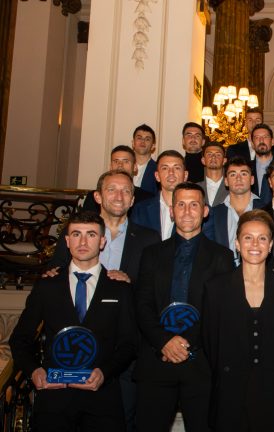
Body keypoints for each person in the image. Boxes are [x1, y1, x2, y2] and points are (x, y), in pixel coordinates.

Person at [10, 211, 138, 431]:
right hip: (54, 398)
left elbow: (129, 343)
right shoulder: (47, 286)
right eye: (76, 234)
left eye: (91, 234)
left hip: (102, 399)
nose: (83, 241)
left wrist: (105, 372)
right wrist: (34, 371)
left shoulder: (120, 288)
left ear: (102, 241)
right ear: (67, 241)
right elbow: (20, 339)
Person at [133, 182, 234, 432]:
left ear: (205, 211)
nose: (187, 211)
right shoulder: (151, 254)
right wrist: (165, 341)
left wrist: (185, 342)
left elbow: (220, 310)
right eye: (181, 204)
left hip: (201, 364)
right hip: (157, 360)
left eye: (194, 205)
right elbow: (142, 303)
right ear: (171, 210)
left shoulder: (222, 256)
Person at [202, 210, 274, 431]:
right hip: (229, 392)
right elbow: (209, 342)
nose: (255, 244)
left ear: (271, 245)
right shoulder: (215, 288)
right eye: (248, 237)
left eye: (262, 238)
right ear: (236, 243)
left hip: (272, 392)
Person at [208, 157, 265, 258]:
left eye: (243, 174)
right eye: (233, 174)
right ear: (226, 181)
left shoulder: (266, 210)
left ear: (252, 180)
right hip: (224, 272)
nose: (238, 178)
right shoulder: (214, 213)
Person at [130, 150, 188, 240]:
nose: (171, 172)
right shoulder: (140, 210)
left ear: (185, 175)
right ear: (157, 176)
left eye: (177, 168)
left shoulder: (197, 210)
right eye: (165, 168)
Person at [81, 145, 154, 213]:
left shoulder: (147, 199)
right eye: (116, 161)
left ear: (135, 167)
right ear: (111, 166)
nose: (120, 165)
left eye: (126, 161)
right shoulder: (94, 197)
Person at [197, 142, 228, 207]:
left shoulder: (232, 187)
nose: (213, 157)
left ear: (224, 160)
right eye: (209, 154)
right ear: (203, 160)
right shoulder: (195, 188)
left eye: (218, 154)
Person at [132, 124, 158, 195]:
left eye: (147, 139)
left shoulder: (158, 171)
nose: (142, 142)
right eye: (139, 138)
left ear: (153, 146)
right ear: (133, 143)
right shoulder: (122, 166)